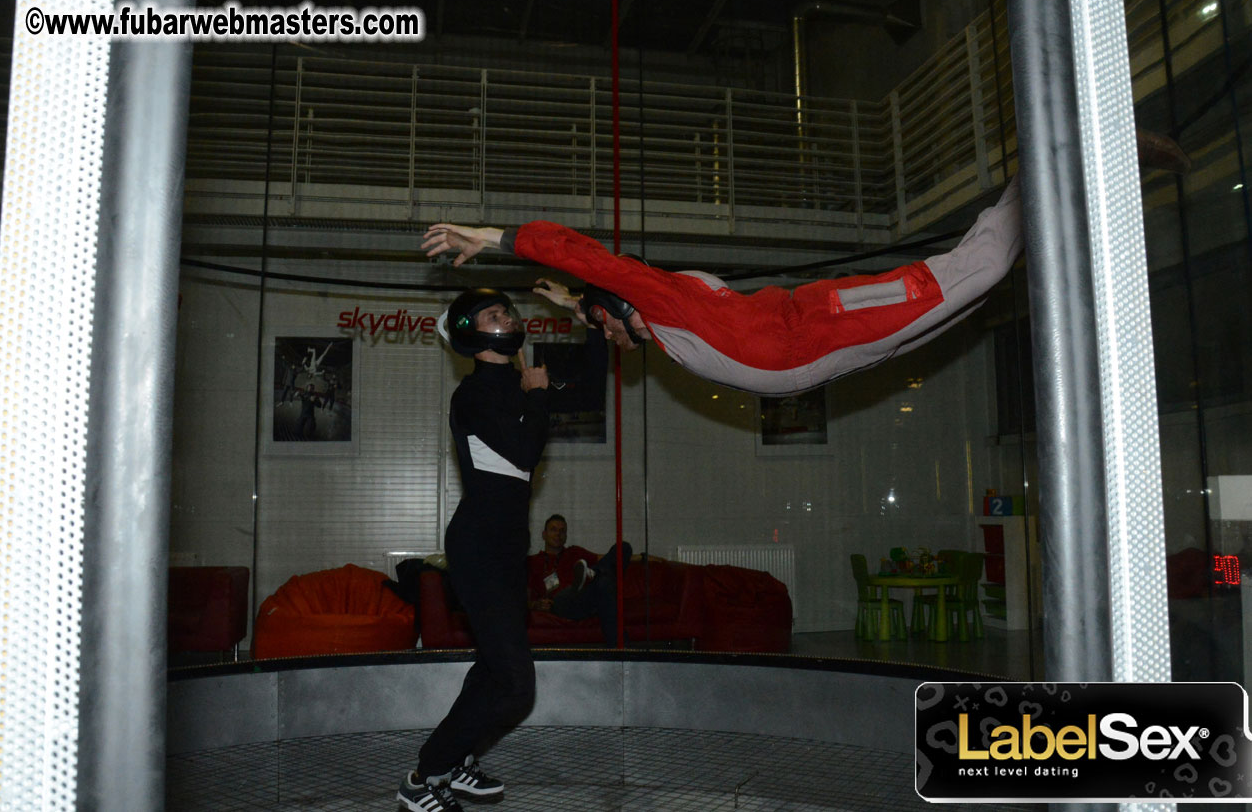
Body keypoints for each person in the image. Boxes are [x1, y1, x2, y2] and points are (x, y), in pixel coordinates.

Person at [421, 178, 1023, 397]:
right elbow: (602, 303)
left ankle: (1043, 167)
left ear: (619, 307)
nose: (604, 336)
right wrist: (571, 301)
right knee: (974, 295)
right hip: (832, 351)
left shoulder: (660, 302)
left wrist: (493, 237)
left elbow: (584, 258)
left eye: (601, 322)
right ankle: (1035, 197)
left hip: (821, 330)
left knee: (984, 267)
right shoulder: (659, 313)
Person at [398, 288, 606, 812]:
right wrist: (536, 395)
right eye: (494, 314)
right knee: (516, 685)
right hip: (478, 549)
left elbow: (589, 389)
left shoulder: (520, 384)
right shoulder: (472, 396)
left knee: (493, 669)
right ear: (472, 334)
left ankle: (455, 761)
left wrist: (594, 321)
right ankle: (424, 775)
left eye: (507, 311)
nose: (507, 317)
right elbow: (524, 450)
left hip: (508, 548)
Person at [527, 513, 633, 646]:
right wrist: (535, 605)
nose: (558, 534)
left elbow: (608, 559)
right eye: (553, 529)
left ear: (566, 536)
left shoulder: (574, 552)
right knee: (604, 583)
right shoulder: (533, 561)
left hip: (587, 598)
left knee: (623, 548)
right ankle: (623, 650)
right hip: (561, 603)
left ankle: (593, 573)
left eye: (562, 531)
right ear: (544, 535)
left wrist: (646, 557)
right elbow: (522, 597)